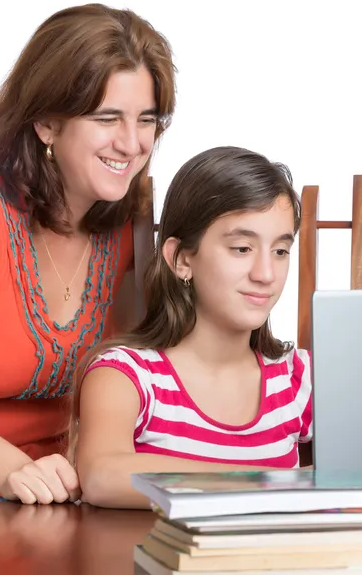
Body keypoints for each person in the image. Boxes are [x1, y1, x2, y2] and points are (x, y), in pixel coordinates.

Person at [0, 3, 176, 504]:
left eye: (147, 120)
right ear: (47, 124)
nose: (132, 143)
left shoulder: (132, 222)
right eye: (107, 118)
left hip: (69, 501)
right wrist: (9, 469)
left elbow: (152, 379)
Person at [73, 146, 313, 510]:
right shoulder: (127, 375)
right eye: (242, 248)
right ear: (182, 259)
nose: (266, 275)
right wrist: (264, 485)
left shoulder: (299, 377)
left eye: (280, 251)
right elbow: (102, 476)